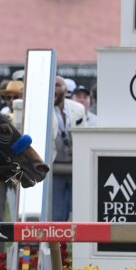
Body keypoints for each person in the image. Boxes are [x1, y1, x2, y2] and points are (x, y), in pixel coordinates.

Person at [51, 76, 87, 222]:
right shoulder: (44, 110)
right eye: (51, 86)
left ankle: (79, 244)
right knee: (57, 214)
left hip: (76, 166)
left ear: (66, 89)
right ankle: (58, 244)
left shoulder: (78, 109)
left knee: (79, 210)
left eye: (58, 85)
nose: (54, 89)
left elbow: (84, 136)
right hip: (55, 166)